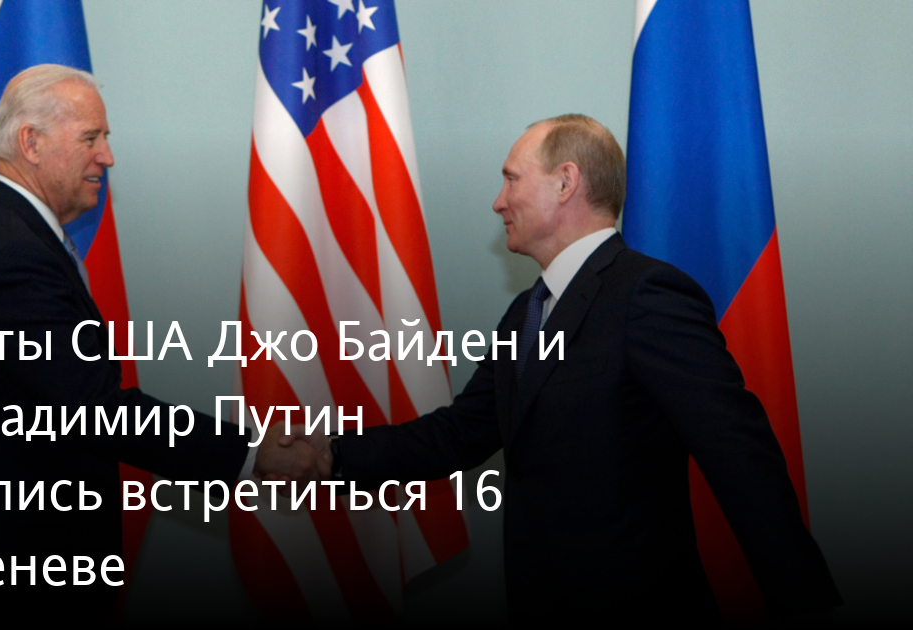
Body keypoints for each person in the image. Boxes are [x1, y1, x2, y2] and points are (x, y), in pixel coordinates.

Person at [293, 114, 841, 623]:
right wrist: (331, 455)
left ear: (565, 181)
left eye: (511, 180)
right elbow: (459, 433)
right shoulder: (525, 313)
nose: (498, 202)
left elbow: (739, 457)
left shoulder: (647, 295)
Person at [0, 64, 323, 625]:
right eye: (91, 138)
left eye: (105, 138)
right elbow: (97, 411)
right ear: (30, 143)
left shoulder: (14, 238)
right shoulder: (14, 255)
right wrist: (252, 454)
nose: (107, 157)